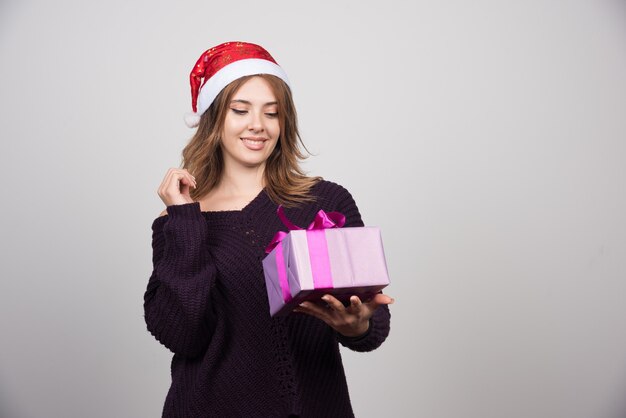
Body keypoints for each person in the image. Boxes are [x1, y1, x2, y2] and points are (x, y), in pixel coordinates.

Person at [144, 41, 393, 418]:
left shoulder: (325, 203)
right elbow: (182, 334)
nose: (257, 125)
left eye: (272, 113)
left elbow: (372, 328)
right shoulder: (179, 223)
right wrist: (184, 221)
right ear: (213, 119)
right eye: (240, 110)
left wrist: (357, 326)